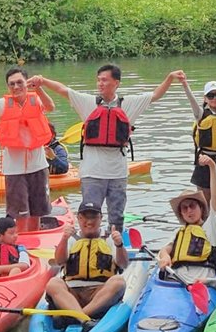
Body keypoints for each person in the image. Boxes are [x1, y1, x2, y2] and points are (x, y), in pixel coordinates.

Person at [41, 65, 183, 234]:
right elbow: (63, 90)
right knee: (89, 216)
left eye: (105, 80)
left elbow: (156, 95)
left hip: (117, 173)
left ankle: (113, 249)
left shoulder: (129, 104)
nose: (100, 83)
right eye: (99, 80)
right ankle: (88, 248)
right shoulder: (87, 102)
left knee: (117, 218)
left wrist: (170, 77)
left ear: (116, 83)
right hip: (92, 173)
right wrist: (42, 81)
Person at [0, 65, 55, 224]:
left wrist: (39, 89)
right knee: (20, 215)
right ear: (8, 86)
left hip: (38, 166)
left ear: (26, 83)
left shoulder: (35, 99)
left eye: (19, 82)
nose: (16, 87)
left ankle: (35, 244)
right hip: (14, 171)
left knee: (38, 213)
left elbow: (51, 107)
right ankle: (21, 244)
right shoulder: (1, 105)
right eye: (12, 84)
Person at [44, 200, 131, 324]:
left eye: (94, 217)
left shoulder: (109, 238)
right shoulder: (71, 238)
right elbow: (59, 261)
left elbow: (123, 264)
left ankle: (77, 316)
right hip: (72, 293)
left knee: (118, 282)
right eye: (85, 217)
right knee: (53, 283)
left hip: (100, 293)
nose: (89, 222)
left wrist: (119, 245)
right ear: (78, 218)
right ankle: (83, 319)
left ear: (101, 218)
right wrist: (63, 239)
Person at [156, 155, 216, 284]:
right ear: (181, 214)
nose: (189, 211)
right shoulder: (180, 232)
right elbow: (165, 249)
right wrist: (165, 256)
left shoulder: (212, 227)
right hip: (176, 279)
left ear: (201, 208)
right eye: (184, 208)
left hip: (201, 280)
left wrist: (212, 166)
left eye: (192, 206)